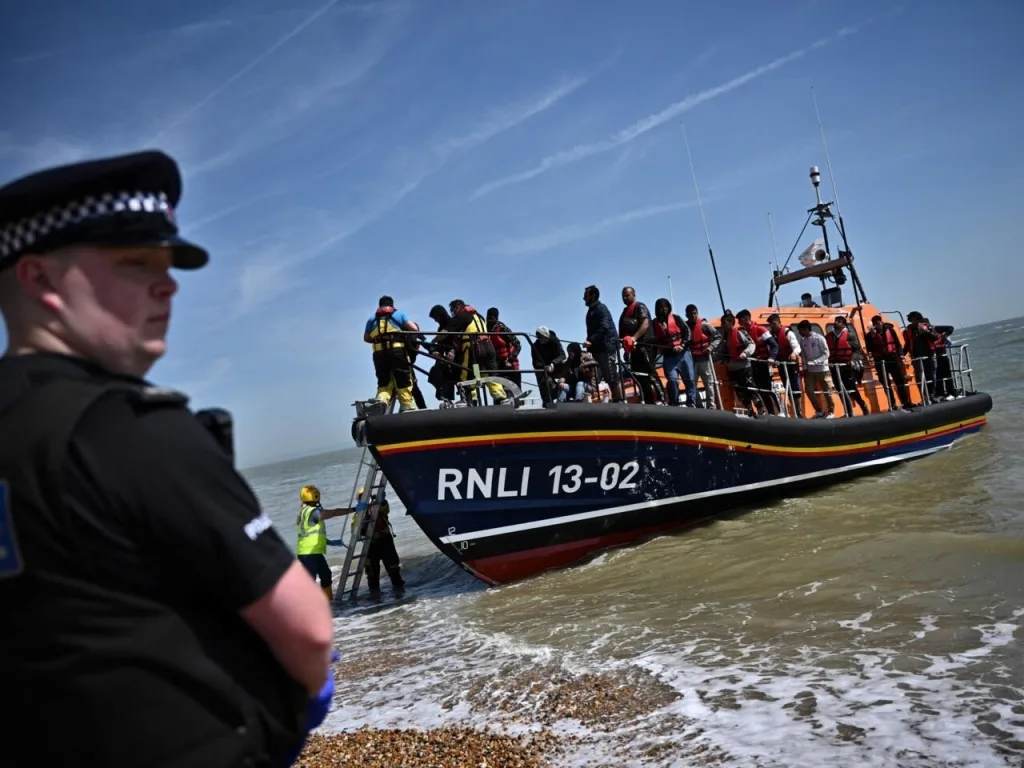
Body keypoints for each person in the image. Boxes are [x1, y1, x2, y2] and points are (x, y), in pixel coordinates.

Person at [0, 150, 336, 767]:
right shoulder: (131, 430)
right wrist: (290, 713)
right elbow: (308, 629)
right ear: (40, 279)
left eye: (168, 264)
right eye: (134, 262)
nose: (169, 283)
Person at [296, 484, 356, 600]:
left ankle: (328, 604)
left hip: (311, 552)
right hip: (309, 554)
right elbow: (334, 513)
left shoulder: (303, 512)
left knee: (326, 576)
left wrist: (329, 542)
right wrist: (353, 509)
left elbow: (308, 534)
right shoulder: (313, 512)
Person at [364, 295, 420, 412]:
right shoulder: (399, 314)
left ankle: (382, 400)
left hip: (379, 354)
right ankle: (407, 404)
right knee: (403, 377)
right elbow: (414, 328)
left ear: (379, 306)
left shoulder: (372, 319)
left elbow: (366, 338)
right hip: (397, 351)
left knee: (384, 380)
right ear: (392, 305)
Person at [447, 299, 507, 405]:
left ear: (457, 307)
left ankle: (469, 399)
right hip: (488, 348)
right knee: (488, 373)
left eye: (453, 309)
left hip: (474, 348)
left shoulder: (462, 315)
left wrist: (436, 340)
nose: (453, 312)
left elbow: (447, 331)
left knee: (467, 374)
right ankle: (500, 398)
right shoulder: (479, 316)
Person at [351, 486, 405, 595]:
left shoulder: (378, 507)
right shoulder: (358, 515)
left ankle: (400, 593)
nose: (366, 499)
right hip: (370, 545)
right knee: (372, 574)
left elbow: (386, 508)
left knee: (393, 569)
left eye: (367, 497)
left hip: (385, 542)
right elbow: (354, 531)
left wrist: (383, 500)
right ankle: (375, 598)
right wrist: (360, 522)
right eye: (363, 497)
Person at [619, 286, 665, 404]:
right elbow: (623, 335)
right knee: (640, 376)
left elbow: (645, 323)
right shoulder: (623, 314)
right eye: (623, 295)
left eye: (627, 295)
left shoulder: (640, 307)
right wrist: (626, 350)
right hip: (633, 350)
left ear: (634, 295)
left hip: (645, 345)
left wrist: (634, 338)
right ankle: (648, 401)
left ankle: (662, 398)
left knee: (651, 373)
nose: (625, 297)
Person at [651, 298, 695, 406]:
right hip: (668, 357)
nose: (663, 310)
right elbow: (652, 341)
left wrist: (682, 345)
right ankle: (674, 403)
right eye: (661, 308)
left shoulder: (676, 318)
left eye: (665, 307)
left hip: (684, 354)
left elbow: (687, 333)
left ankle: (692, 404)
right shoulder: (654, 324)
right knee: (672, 380)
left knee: (689, 380)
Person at [583, 285, 623, 402]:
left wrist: (591, 340)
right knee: (606, 376)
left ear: (593, 295)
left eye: (586, 296)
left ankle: (620, 400)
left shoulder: (601, 308)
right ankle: (616, 399)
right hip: (599, 349)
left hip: (607, 347)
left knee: (611, 375)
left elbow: (604, 327)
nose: (584, 298)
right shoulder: (591, 311)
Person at [865, 314, 912, 410]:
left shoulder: (890, 330)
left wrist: (901, 355)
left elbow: (898, 344)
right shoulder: (869, 335)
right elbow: (869, 348)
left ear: (881, 322)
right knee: (886, 383)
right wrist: (873, 337)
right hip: (880, 361)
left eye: (878, 323)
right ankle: (892, 404)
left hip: (892, 358)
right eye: (875, 324)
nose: (877, 326)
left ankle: (905, 402)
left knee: (899, 381)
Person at [684, 303, 722, 408]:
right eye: (690, 314)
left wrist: (711, 347)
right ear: (686, 315)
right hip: (692, 360)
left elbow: (718, 337)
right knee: (692, 384)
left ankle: (711, 407)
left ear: (697, 313)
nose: (693, 316)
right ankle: (699, 406)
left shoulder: (704, 325)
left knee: (708, 384)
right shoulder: (685, 327)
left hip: (705, 359)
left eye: (695, 313)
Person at [797, 319, 835, 418]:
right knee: (809, 390)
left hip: (822, 369)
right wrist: (805, 367)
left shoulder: (819, 338)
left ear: (805, 329)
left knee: (826, 390)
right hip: (810, 370)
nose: (799, 333)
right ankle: (819, 410)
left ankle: (831, 411)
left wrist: (816, 361)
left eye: (800, 330)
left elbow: (826, 353)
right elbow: (804, 355)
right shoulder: (802, 340)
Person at [766, 313, 803, 416]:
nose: (772, 326)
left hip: (791, 364)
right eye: (770, 324)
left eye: (773, 324)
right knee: (788, 387)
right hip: (781, 365)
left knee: (795, 387)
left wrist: (794, 353)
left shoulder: (788, 333)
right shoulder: (771, 335)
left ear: (778, 322)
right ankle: (793, 411)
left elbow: (797, 347)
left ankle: (798, 412)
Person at [485, 306, 522, 389]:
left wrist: (510, 360)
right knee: (499, 390)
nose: (490, 319)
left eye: (492, 317)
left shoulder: (502, 328)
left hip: (509, 364)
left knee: (514, 390)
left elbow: (518, 345)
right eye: (488, 317)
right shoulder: (485, 329)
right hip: (496, 365)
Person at [531, 325, 568, 404]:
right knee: (541, 376)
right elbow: (535, 362)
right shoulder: (535, 346)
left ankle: (560, 397)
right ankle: (546, 401)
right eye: (539, 338)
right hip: (543, 368)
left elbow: (562, 355)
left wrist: (553, 363)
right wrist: (544, 366)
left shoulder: (554, 341)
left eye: (542, 338)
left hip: (556, 366)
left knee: (563, 376)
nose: (541, 340)